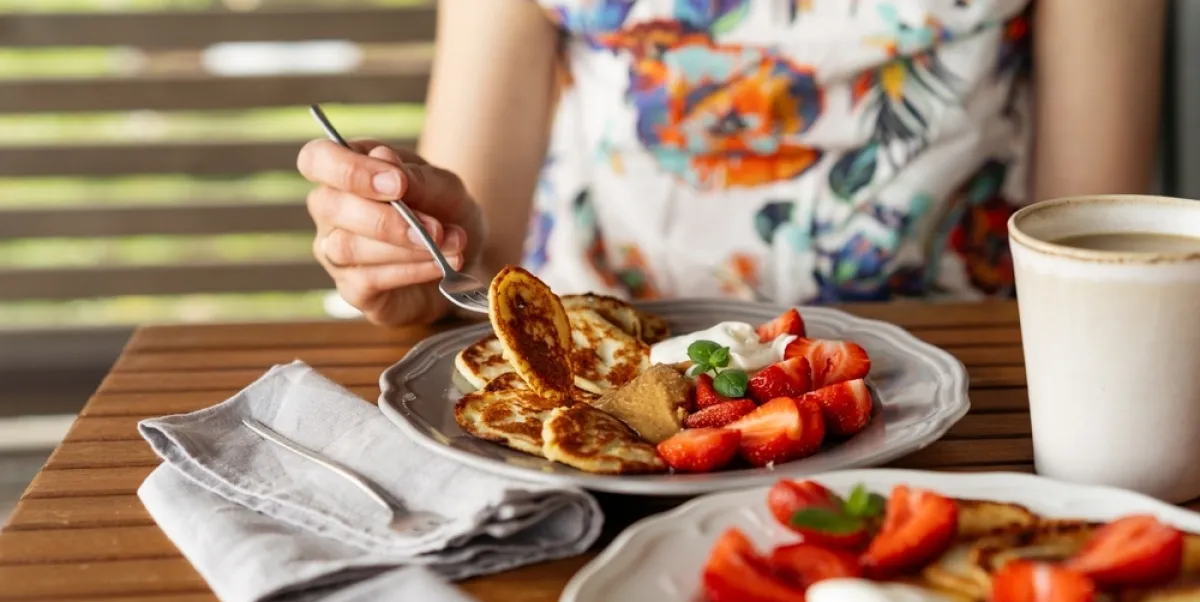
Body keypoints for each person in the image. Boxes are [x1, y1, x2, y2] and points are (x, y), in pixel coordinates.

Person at [297, 0, 1165, 327]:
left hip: (955, 381)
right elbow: (474, 254)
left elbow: (1095, 257)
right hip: (607, 378)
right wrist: (421, 257)